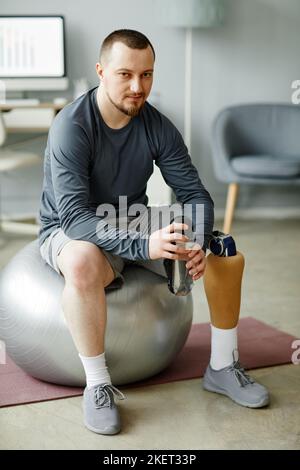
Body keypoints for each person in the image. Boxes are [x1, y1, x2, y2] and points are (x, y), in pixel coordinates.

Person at [38, 29, 269, 436]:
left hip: (131, 216)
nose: (137, 86)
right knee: (82, 259)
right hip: (71, 226)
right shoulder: (71, 127)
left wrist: (195, 239)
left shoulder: (156, 124)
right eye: (125, 74)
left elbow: (195, 193)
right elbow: (74, 217)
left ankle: (222, 365)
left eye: (146, 75)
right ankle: (98, 386)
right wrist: (147, 244)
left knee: (225, 250)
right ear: (101, 71)